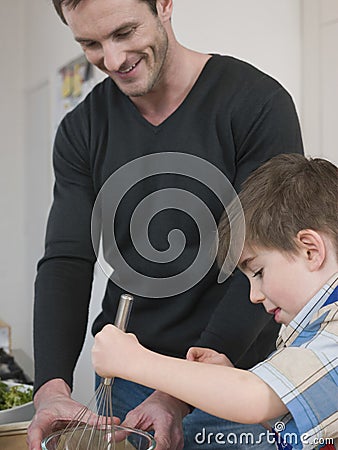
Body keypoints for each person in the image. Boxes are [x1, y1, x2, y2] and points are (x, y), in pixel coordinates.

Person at [27, 1, 304, 449]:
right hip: (133, 379)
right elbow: (66, 260)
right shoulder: (82, 129)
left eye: (124, 32)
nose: (113, 61)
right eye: (90, 44)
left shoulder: (256, 103)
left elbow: (267, 256)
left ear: (164, 5)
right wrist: (51, 386)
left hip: (236, 374)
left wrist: (177, 391)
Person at [92, 154, 338, 450]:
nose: (253, 295)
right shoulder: (313, 328)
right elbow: (297, 411)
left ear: (311, 251)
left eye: (258, 272)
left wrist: (132, 361)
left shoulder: (333, 332)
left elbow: (254, 399)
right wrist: (230, 378)